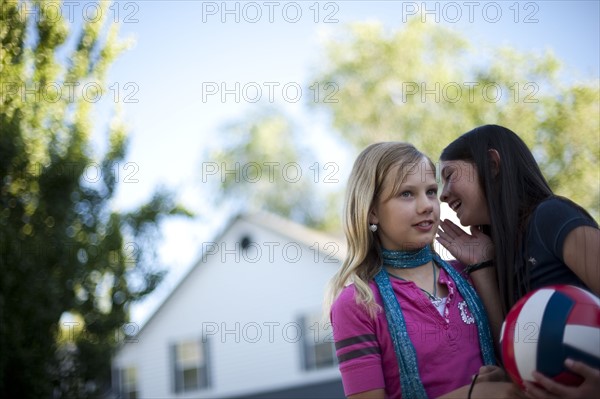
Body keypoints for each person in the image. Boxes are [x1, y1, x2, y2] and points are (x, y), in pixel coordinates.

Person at [325, 142, 522, 399]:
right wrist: (475, 394)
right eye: (407, 194)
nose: (426, 205)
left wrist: (482, 268)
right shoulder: (357, 303)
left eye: (431, 191)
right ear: (372, 211)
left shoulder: (467, 273)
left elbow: (516, 363)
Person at [436, 124, 600, 399]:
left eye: (449, 176)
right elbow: (514, 348)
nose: (443, 194)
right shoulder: (503, 251)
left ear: (491, 163)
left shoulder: (551, 216)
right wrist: (483, 265)